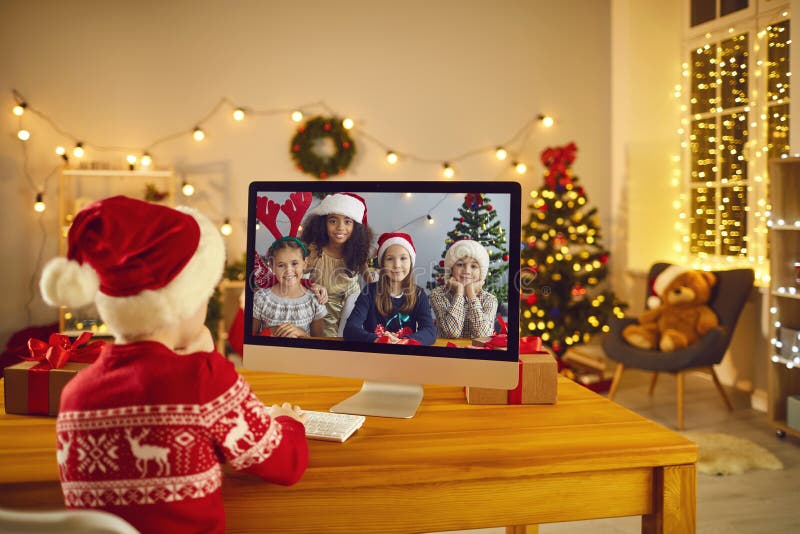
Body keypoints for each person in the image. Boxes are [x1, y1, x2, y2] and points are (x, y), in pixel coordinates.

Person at [39, 196, 308, 534]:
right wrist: (287, 421)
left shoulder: (75, 392)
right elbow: (286, 464)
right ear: (186, 301)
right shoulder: (204, 378)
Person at [300, 193, 375, 337]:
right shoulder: (315, 251)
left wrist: (374, 283)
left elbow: (365, 270)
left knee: (353, 336)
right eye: (333, 221)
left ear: (356, 227)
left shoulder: (356, 250)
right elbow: (299, 277)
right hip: (324, 304)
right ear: (323, 224)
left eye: (347, 222)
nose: (340, 227)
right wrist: (311, 285)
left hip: (352, 303)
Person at [343, 232, 436, 345]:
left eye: (403, 258)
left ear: (411, 262)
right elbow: (350, 329)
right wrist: (377, 339)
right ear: (382, 263)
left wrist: (405, 340)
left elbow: (430, 332)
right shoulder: (369, 292)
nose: (396, 265)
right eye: (390, 259)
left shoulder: (419, 294)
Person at [252, 237, 327, 338]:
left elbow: (319, 344)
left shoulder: (314, 300)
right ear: (272, 266)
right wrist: (270, 331)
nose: (288, 270)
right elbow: (251, 339)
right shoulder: (261, 298)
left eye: (294, 263)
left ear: (305, 263)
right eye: (281, 265)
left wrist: (302, 334)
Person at [429, 239, 498, 339]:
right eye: (460, 264)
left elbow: (484, 335)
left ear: (481, 273)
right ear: (451, 269)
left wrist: (471, 293)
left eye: (473, 266)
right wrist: (459, 292)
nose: (467, 271)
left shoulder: (490, 299)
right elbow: (452, 333)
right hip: (446, 353)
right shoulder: (438, 294)